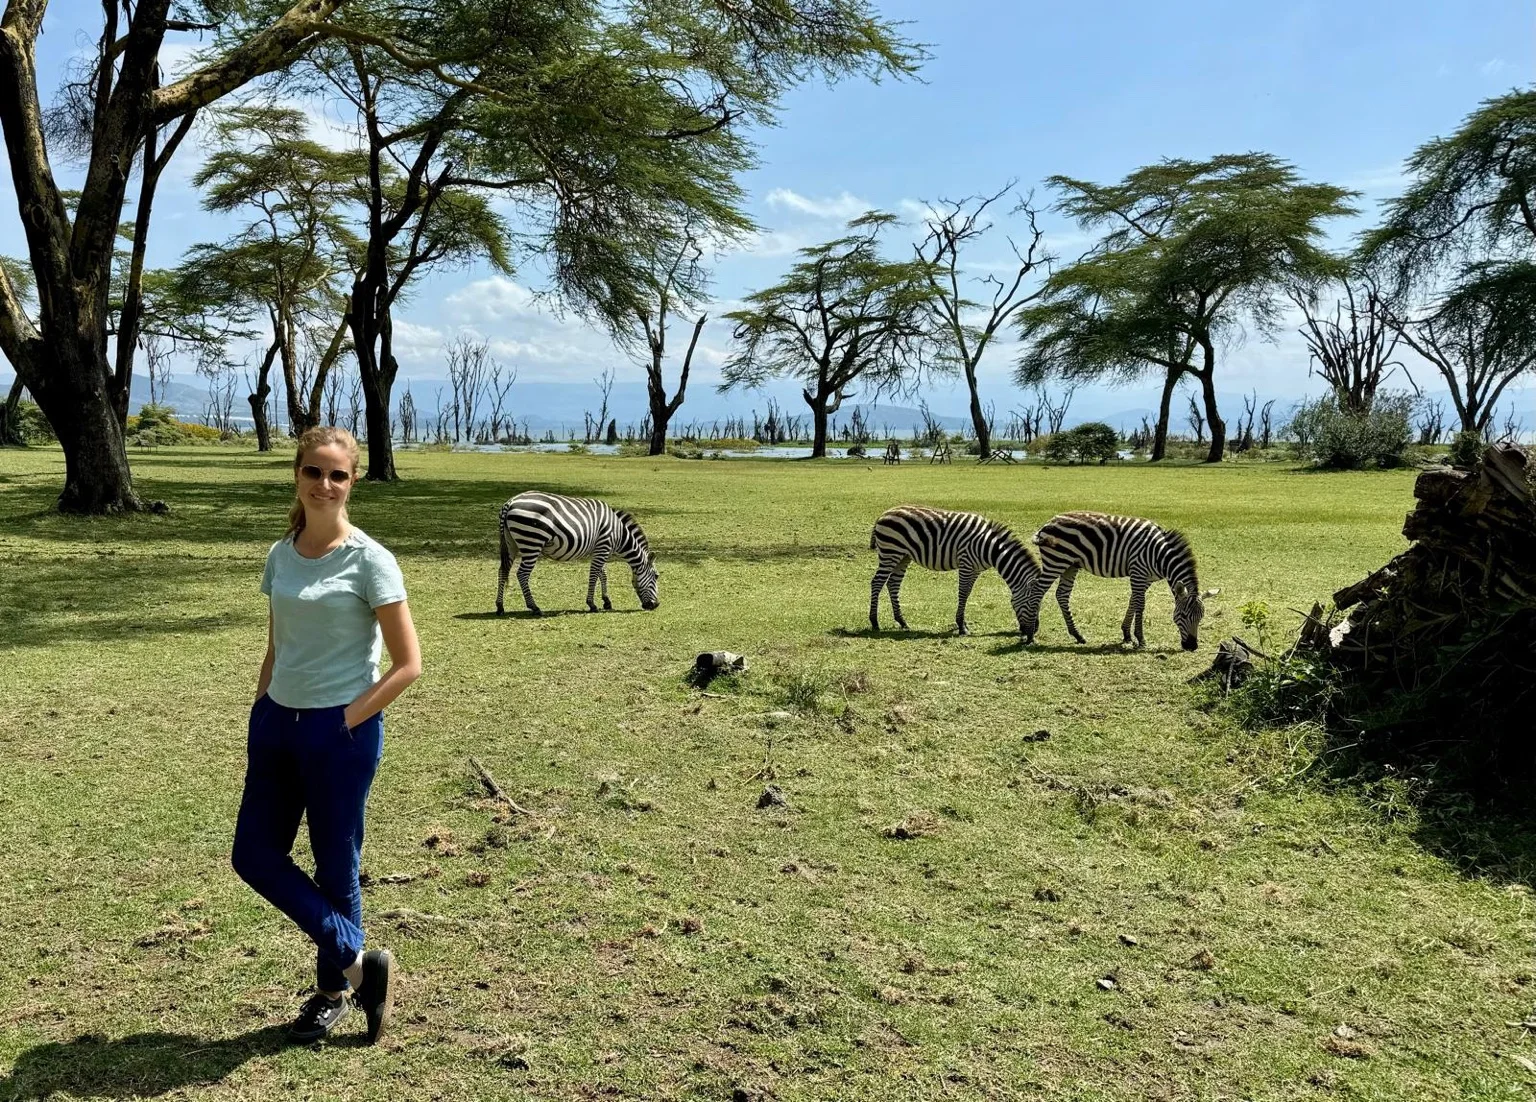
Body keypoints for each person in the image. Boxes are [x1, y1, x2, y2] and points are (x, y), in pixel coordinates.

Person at [232, 426, 422, 1044]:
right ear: (297, 474)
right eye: (314, 472)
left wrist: (344, 720)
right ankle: (359, 963)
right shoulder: (281, 552)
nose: (324, 484)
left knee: (336, 866)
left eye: (337, 474)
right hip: (276, 724)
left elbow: (407, 665)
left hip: (340, 729)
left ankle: (334, 991)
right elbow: (276, 641)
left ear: (353, 481)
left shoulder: (371, 560)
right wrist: (262, 706)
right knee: (253, 855)